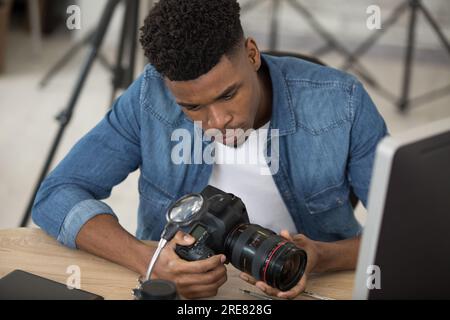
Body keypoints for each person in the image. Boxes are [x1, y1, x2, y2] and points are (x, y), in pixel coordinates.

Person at [32, 0, 388, 299]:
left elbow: (401, 230)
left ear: (251, 54)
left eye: (229, 94)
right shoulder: (150, 96)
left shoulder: (341, 102)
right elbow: (56, 195)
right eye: (192, 108)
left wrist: (321, 257)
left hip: (310, 287)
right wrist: (149, 260)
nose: (218, 121)